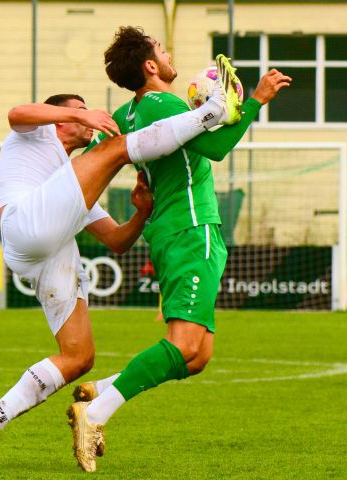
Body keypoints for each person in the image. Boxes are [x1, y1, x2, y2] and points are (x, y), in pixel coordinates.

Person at [0, 64, 242, 470]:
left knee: (79, 357)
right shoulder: (35, 134)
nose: (93, 115)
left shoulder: (72, 188)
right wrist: (78, 113)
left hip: (42, 249)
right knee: (113, 151)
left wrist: (142, 214)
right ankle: (211, 113)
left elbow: (117, 241)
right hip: (24, 223)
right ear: (60, 119)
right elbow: (16, 113)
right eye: (82, 110)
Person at [67, 26, 291, 473]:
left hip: (168, 230)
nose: (170, 55)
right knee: (185, 343)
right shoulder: (166, 102)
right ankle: (95, 414)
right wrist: (256, 101)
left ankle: (103, 389)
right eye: (163, 50)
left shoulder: (127, 112)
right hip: (191, 228)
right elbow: (217, 146)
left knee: (198, 356)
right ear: (150, 66)